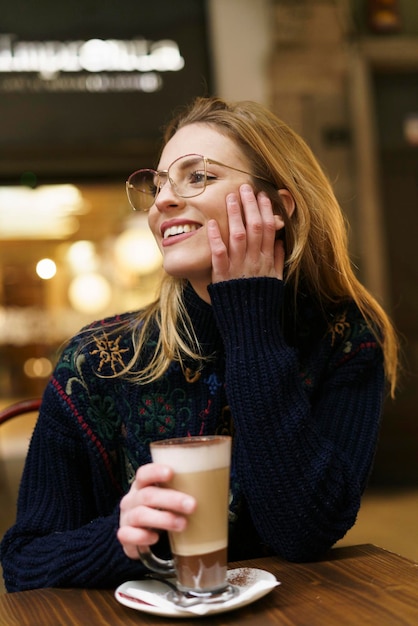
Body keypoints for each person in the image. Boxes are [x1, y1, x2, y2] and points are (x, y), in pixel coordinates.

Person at [1, 97, 398, 592]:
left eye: (199, 176)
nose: (163, 200)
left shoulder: (346, 338)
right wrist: (120, 540)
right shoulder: (97, 361)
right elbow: (24, 561)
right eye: (160, 182)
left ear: (276, 208)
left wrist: (251, 319)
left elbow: (303, 533)